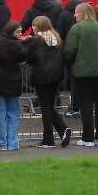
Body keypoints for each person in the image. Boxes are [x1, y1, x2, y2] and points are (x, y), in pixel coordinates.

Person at [64, 2, 98, 146]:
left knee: (85, 105)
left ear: (84, 13)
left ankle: (87, 137)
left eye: (77, 12)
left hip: (82, 73)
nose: (74, 15)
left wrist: (70, 63)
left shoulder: (76, 29)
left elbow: (69, 51)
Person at [24, 16, 71, 147]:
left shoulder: (36, 40)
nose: (32, 28)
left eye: (34, 25)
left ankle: (51, 137)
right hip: (56, 77)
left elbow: (29, 57)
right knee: (49, 106)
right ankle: (59, 133)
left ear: (39, 26)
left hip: (41, 77)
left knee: (46, 108)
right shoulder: (56, 38)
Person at [0, 21, 26, 150]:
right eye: (18, 31)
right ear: (12, 32)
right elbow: (25, 56)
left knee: (0, 114)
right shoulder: (18, 46)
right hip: (14, 82)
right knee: (13, 114)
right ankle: (13, 142)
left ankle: (2, 143)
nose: (20, 34)